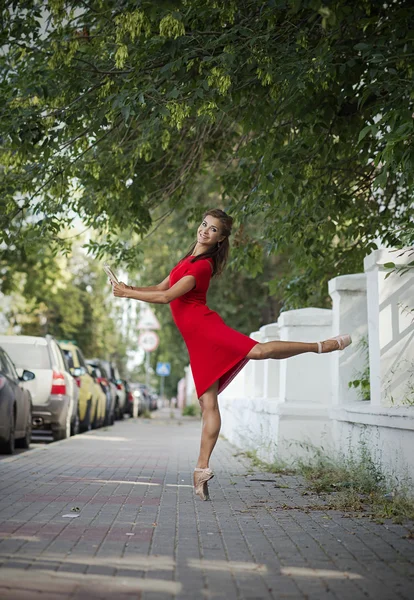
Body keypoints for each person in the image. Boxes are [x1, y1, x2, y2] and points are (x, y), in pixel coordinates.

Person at [112, 209, 351, 501]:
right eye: (204, 225)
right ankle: (201, 470)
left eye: (213, 230)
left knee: (258, 351)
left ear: (221, 239)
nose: (205, 231)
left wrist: (128, 296)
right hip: (195, 340)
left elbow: (166, 298)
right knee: (207, 402)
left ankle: (320, 345)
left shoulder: (202, 267)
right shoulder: (187, 260)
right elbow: (162, 286)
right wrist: (129, 287)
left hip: (206, 328)